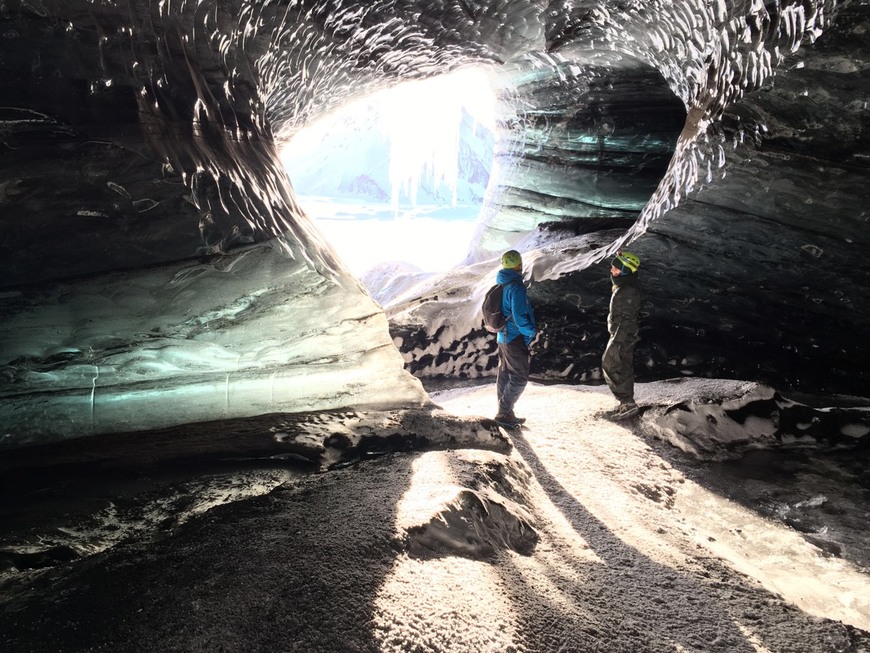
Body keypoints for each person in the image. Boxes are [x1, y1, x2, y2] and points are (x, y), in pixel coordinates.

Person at [494, 250, 537, 428]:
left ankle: (506, 411)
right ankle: (503, 413)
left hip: (502, 337)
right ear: (519, 265)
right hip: (514, 338)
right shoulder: (516, 287)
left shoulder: (502, 283)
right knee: (519, 377)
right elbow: (519, 317)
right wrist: (531, 331)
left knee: (505, 374)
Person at [602, 250, 642, 420]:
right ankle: (626, 403)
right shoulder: (624, 286)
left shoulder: (627, 291)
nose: (612, 270)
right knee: (622, 365)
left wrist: (617, 340)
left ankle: (627, 403)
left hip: (622, 336)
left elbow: (626, 319)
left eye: (616, 269)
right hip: (621, 334)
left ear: (625, 270)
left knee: (611, 363)